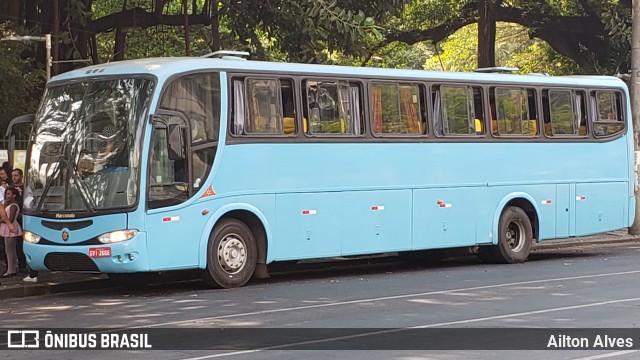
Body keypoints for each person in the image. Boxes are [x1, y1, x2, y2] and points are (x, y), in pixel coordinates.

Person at [1, 187, 22, 278]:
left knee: (9, 250)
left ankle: (11, 270)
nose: (6, 196)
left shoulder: (13, 205)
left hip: (10, 228)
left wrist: (1, 220)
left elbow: (11, 219)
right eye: (6, 194)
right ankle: (12, 268)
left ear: (14, 195)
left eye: (9, 194)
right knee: (10, 250)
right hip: (9, 227)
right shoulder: (9, 205)